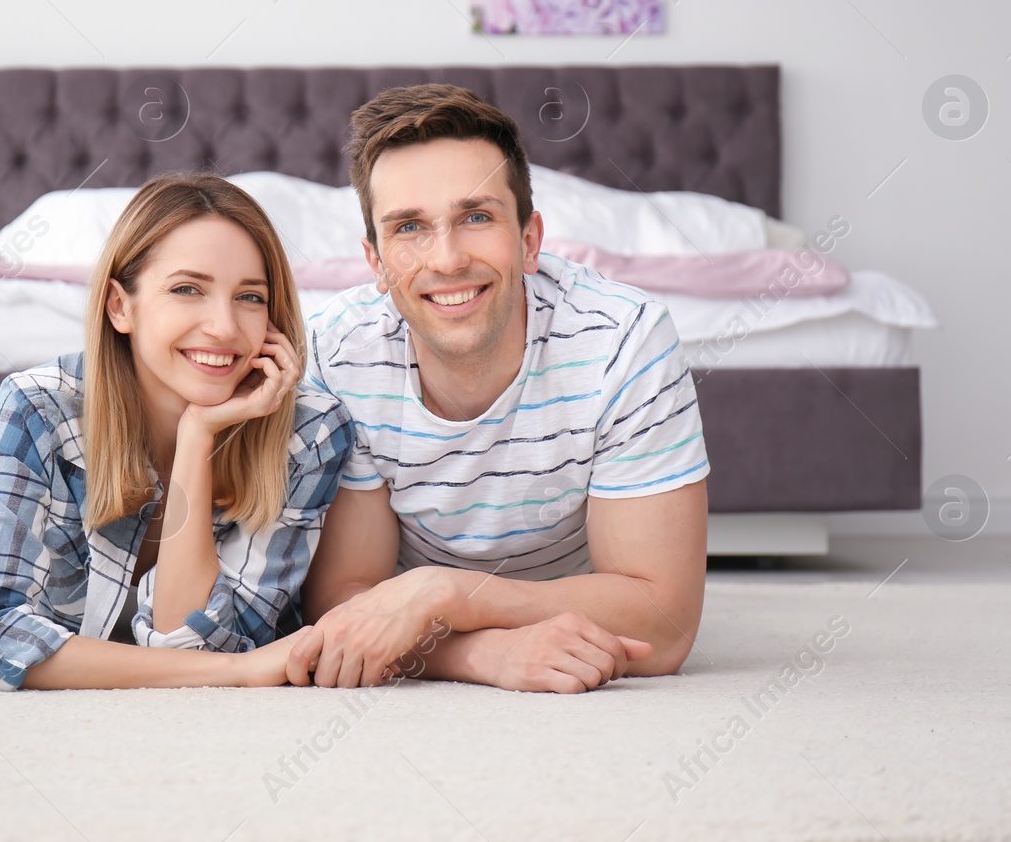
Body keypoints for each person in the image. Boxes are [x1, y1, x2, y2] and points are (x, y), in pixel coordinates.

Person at [293, 84, 711, 694]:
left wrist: (446, 591)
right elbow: (343, 610)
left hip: (532, 595)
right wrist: (480, 655)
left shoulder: (623, 340)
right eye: (409, 227)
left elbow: (666, 627)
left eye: (477, 217)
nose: (448, 259)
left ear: (529, 240)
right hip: (469, 620)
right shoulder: (336, 351)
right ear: (376, 262)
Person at [0, 173, 353, 690]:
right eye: (187, 289)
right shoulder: (41, 407)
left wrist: (198, 435)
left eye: (250, 298)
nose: (225, 328)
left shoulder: (309, 432)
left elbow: (200, 639)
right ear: (120, 306)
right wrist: (237, 671)